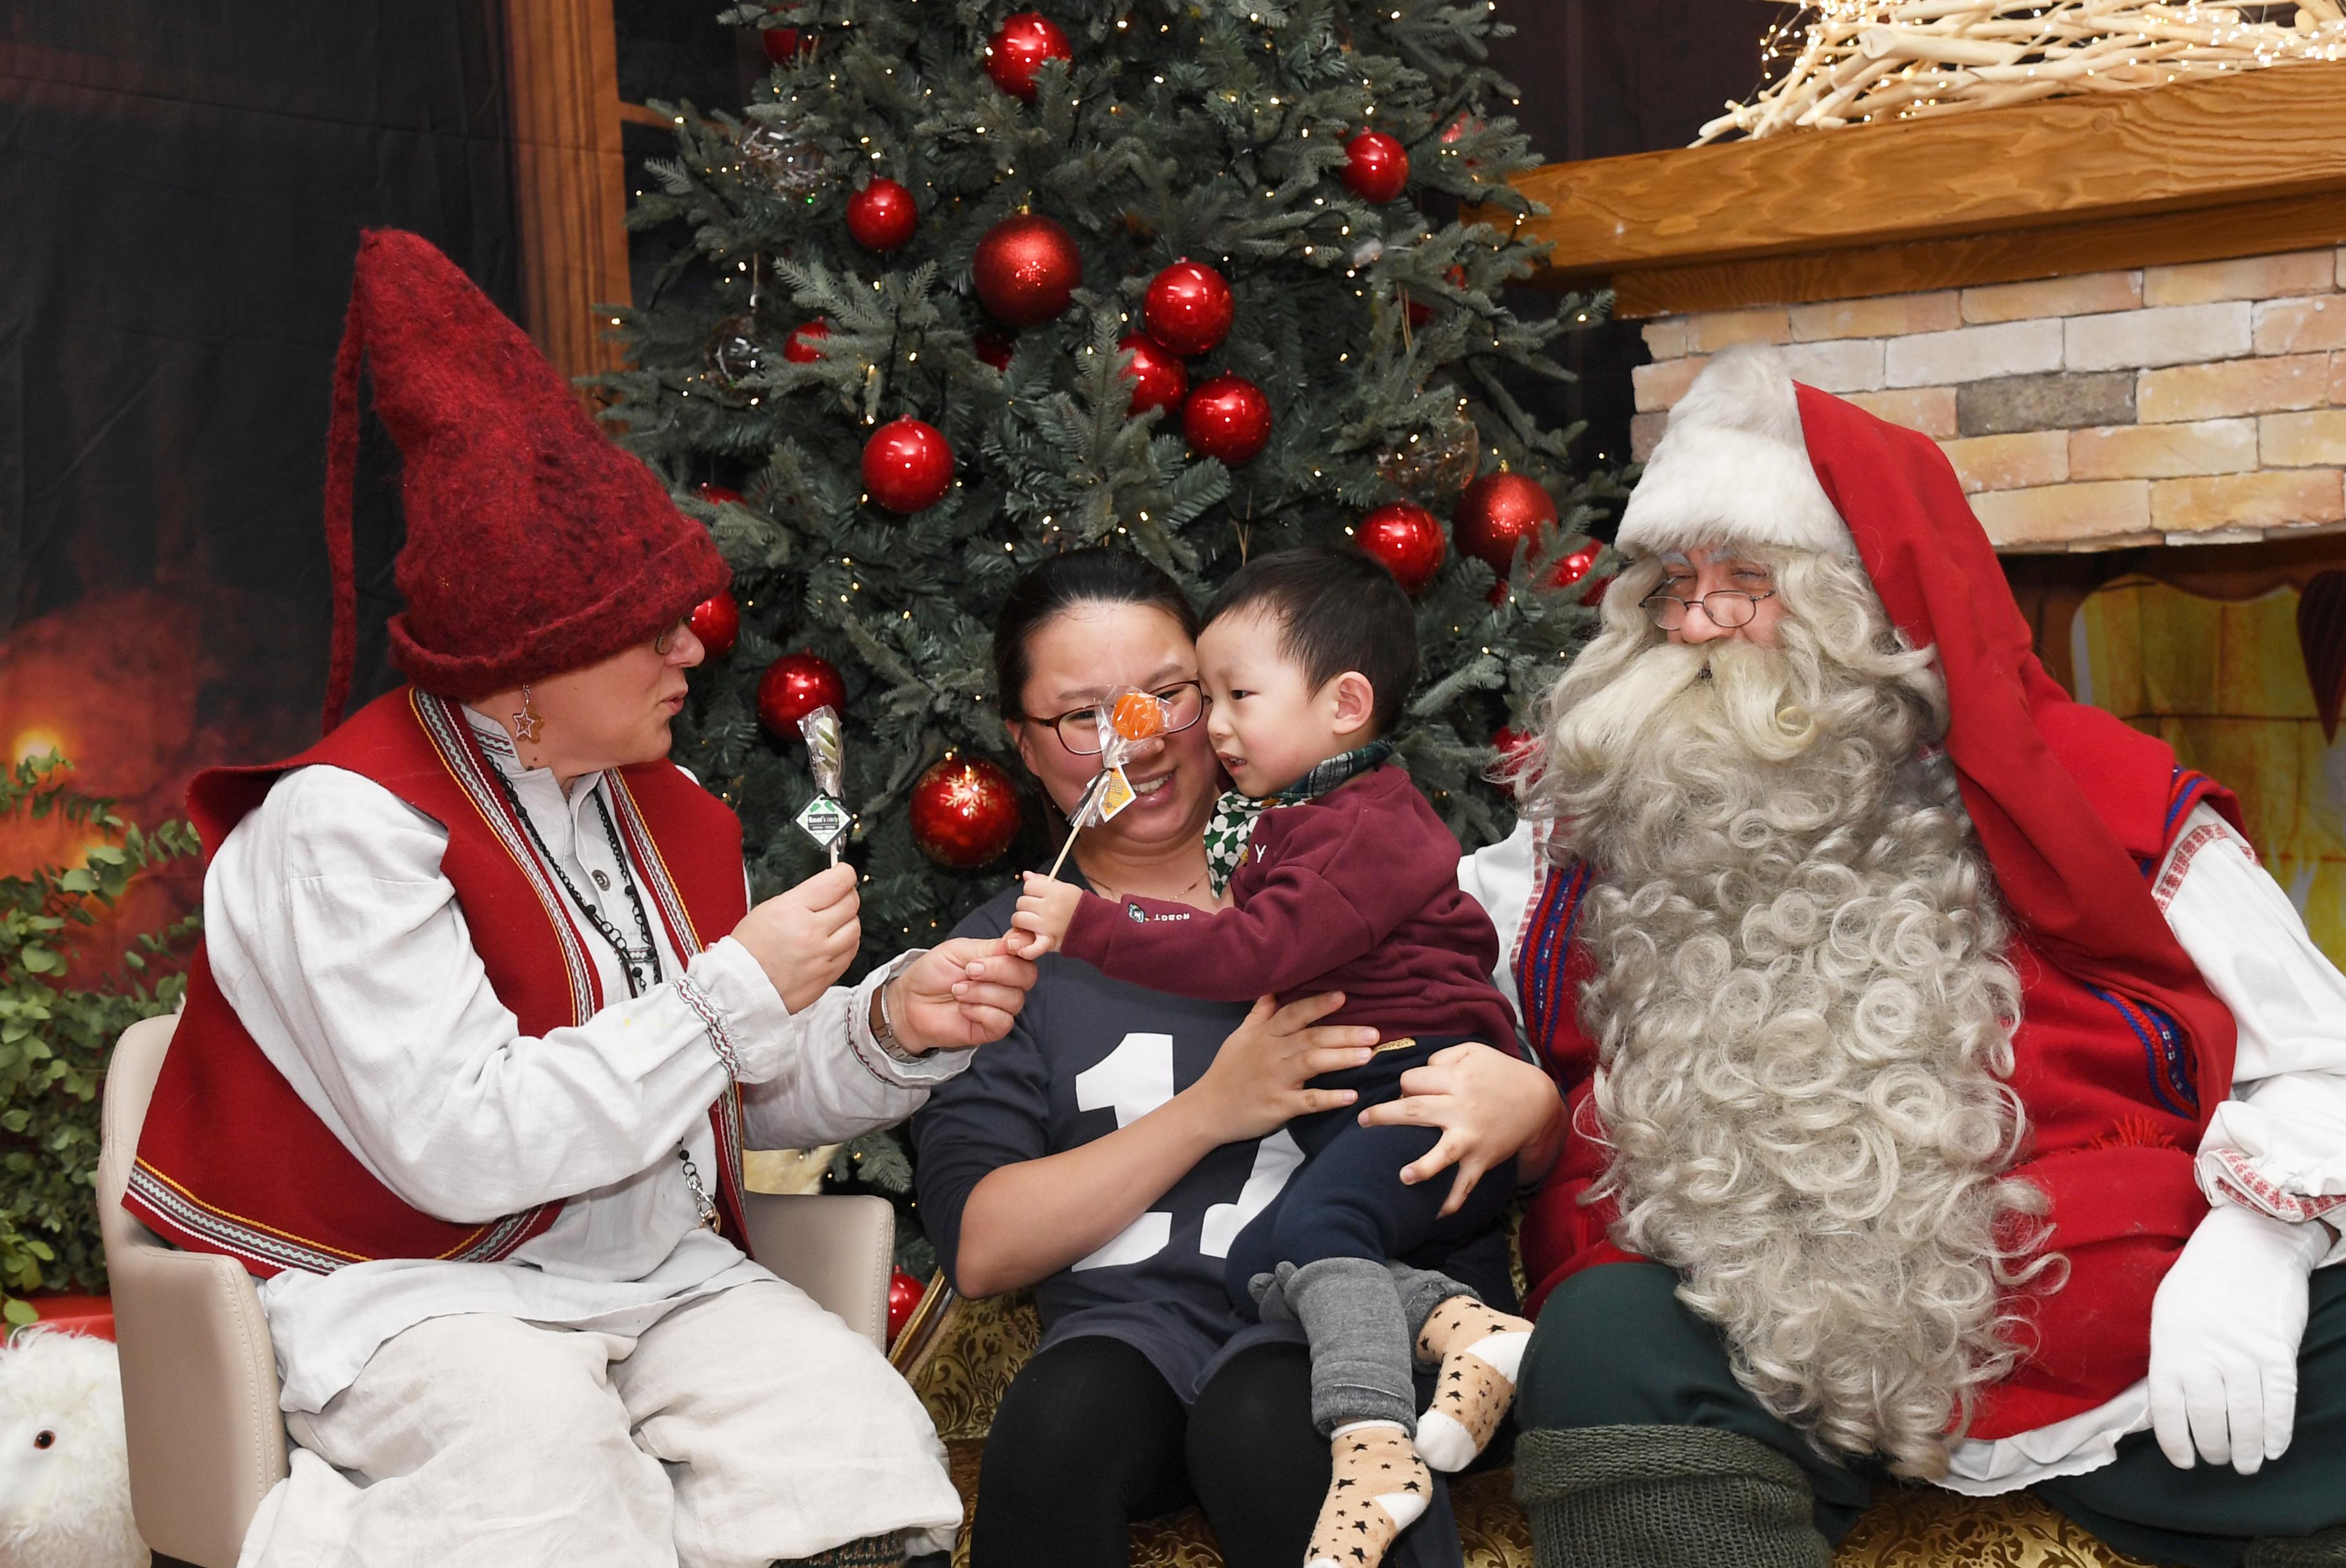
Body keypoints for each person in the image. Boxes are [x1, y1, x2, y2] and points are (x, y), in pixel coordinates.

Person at [125, 230, 1037, 1568]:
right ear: (529, 663)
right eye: (650, 624)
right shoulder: (344, 830)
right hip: (405, 1295)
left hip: (656, 1278)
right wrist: (734, 989)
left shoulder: (668, 811)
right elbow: (459, 1143)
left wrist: (890, 1023)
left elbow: (733, 1089)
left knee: (856, 1448)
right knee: (541, 1473)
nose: (692, 646)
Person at [1469, 346, 2346, 1568]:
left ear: (1863, 602)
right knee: (1605, 1339)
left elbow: (2327, 1057)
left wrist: (2262, 1244)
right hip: (1736, 1318)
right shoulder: (1600, 815)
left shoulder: (2099, 796)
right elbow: (1436, 989)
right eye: (1674, 585)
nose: (1697, 624)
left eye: (1745, 581)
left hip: (2088, 1310)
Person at [911, 547, 1567, 1568]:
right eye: (1086, 716)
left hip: (1351, 1327)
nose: (1142, 738)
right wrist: (1214, 1109)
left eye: (1170, 695)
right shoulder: (1003, 960)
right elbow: (983, 1248)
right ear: (1025, 747)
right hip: (1135, 1336)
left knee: (1266, 1425)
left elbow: (1506, 1121)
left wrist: (1529, 1106)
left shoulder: (1355, 879)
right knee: (1056, 1427)